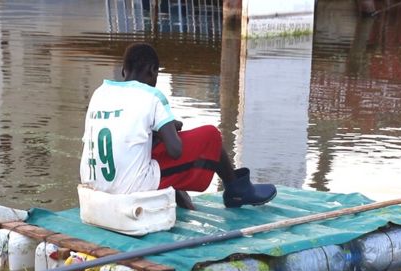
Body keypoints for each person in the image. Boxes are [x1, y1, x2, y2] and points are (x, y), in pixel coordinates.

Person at [80, 42, 276, 209]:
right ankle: (236, 189)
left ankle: (182, 196)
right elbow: (175, 150)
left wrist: (156, 132)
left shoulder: (100, 93)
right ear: (153, 71)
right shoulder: (152, 96)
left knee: (151, 149)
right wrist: (169, 130)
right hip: (128, 186)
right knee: (211, 136)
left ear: (123, 71)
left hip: (94, 183)